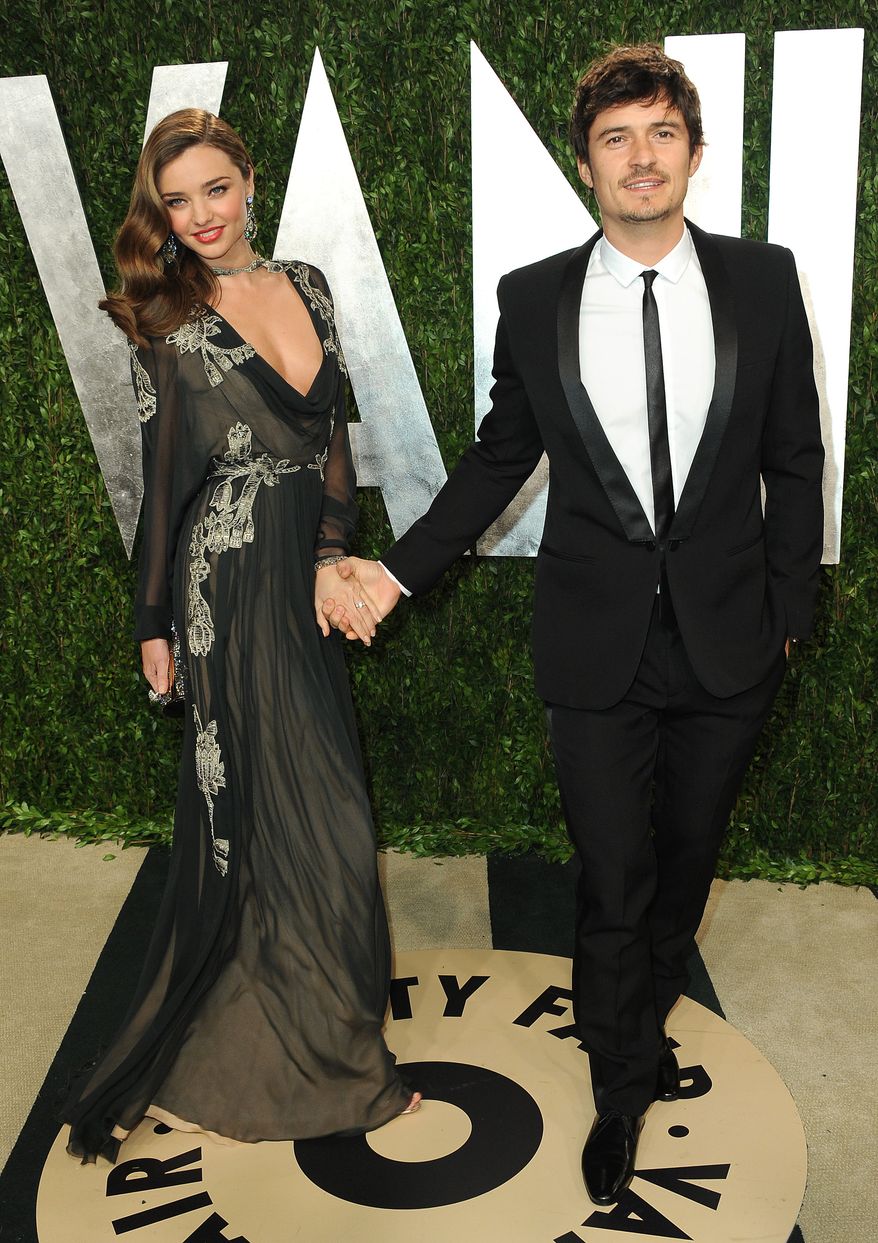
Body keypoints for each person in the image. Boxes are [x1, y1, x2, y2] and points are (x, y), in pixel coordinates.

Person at [324, 44, 824, 1205]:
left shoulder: (761, 279)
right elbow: (500, 459)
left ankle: (641, 1016)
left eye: (659, 134)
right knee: (612, 869)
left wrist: (788, 611)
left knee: (685, 860)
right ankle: (617, 1082)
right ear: (586, 163)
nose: (639, 157)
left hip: (728, 642)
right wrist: (390, 576)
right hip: (594, 644)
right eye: (615, 138)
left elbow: (793, 461)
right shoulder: (534, 296)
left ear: (692, 154)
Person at [64, 108, 419, 1163]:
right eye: (176, 201)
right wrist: (152, 622)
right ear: (159, 215)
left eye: (214, 189)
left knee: (330, 817)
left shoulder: (305, 284)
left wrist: (331, 554)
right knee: (272, 818)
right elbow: (163, 485)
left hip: (298, 585)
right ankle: (332, 1068)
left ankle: (323, 1032)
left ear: (248, 183)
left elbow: (331, 445)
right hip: (223, 592)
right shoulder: (169, 320)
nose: (200, 216)